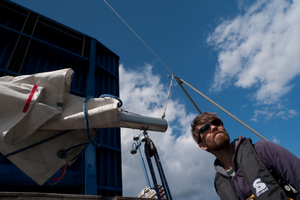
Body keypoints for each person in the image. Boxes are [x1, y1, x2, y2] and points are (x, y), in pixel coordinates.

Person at [191, 112, 300, 200]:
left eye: (217, 122)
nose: (214, 127)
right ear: (203, 146)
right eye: (205, 128)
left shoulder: (262, 150)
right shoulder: (219, 183)